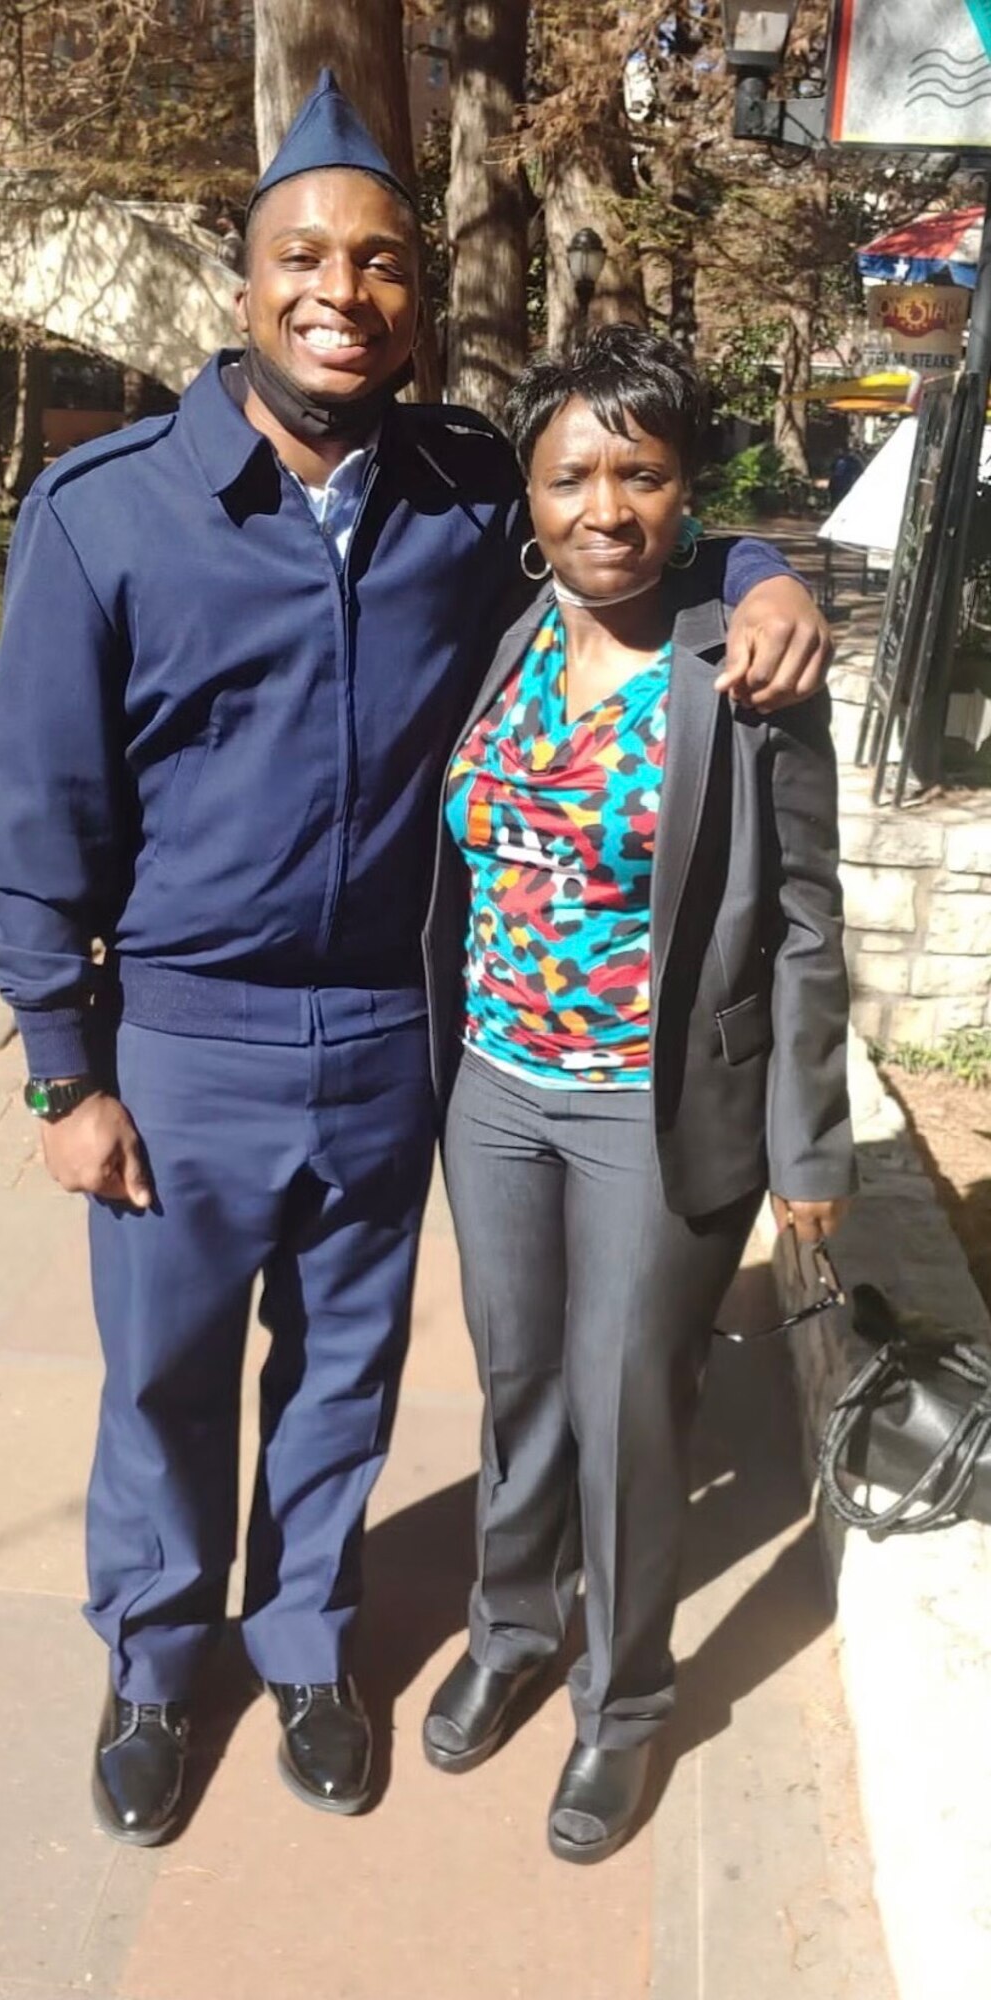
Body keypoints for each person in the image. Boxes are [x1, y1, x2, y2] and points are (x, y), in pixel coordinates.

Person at [0, 72, 833, 1849]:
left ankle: (306, 1643)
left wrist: (763, 569)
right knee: (161, 1373)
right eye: (304, 256)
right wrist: (66, 1071)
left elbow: (631, 531)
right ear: (244, 280)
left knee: (345, 1369)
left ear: (413, 297)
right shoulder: (104, 513)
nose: (339, 293)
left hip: (395, 1034)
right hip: (185, 1033)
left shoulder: (461, 487)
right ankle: (151, 1660)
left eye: (378, 263)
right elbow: (37, 830)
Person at [421, 324, 855, 1865]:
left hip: (645, 1108)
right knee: (519, 1381)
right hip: (495, 1090)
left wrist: (814, 1143)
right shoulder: (503, 616)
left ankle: (627, 1703)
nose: (607, 507)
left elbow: (806, 919)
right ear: (528, 497)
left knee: (627, 1409)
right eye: (573, 475)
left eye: (644, 474)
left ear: (686, 492)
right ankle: (516, 1622)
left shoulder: (740, 667)